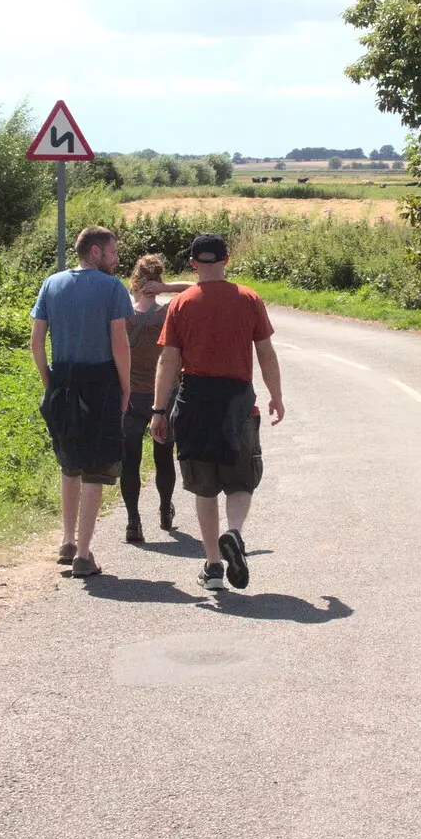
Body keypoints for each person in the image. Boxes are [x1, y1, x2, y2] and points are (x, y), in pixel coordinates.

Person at [149, 233, 285, 591]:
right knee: (241, 480)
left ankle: (212, 567)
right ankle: (235, 533)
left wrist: (159, 410)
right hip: (238, 401)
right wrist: (276, 395)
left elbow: (169, 359)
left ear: (193, 264)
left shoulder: (182, 304)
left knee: (204, 487)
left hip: (194, 400)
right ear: (227, 260)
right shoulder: (249, 299)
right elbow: (266, 353)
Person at [30, 226, 134, 579]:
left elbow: (36, 341)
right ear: (95, 252)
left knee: (69, 463)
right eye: (113, 252)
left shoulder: (50, 284)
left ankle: (67, 541)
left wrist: (50, 381)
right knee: (97, 466)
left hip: (62, 379)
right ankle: (84, 554)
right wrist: (125, 387)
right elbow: (119, 342)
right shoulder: (112, 289)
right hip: (100, 381)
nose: (117, 259)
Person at [121, 254, 189, 543]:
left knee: (130, 460)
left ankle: (133, 521)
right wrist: (168, 288)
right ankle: (164, 510)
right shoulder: (169, 313)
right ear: (159, 281)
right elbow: (198, 289)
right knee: (164, 458)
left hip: (130, 396)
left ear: (134, 282)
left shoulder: (123, 313)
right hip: (165, 395)